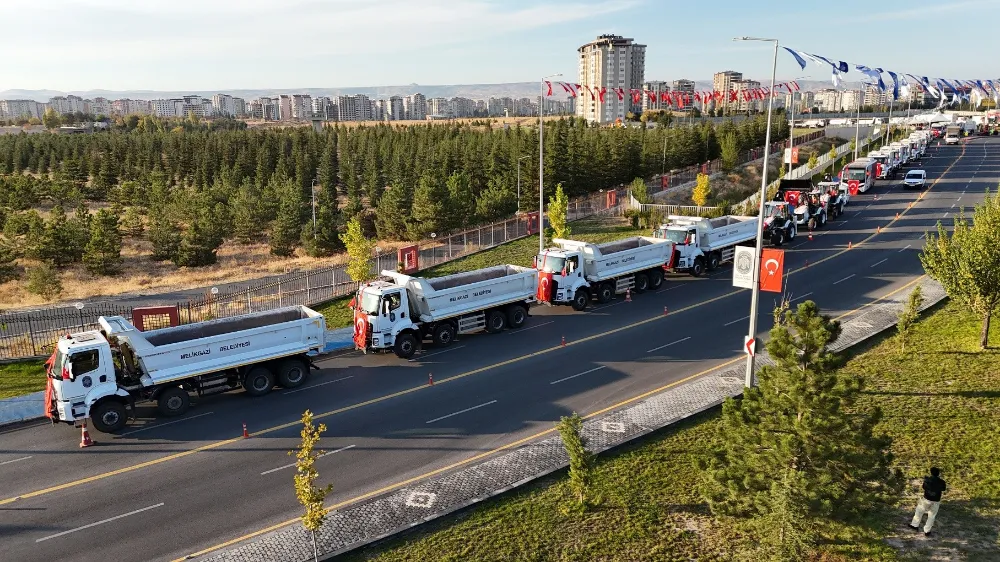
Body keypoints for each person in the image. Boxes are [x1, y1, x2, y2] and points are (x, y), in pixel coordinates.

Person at [910, 467, 947, 536]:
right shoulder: (942, 481)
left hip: (927, 498)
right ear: (938, 473)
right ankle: (927, 531)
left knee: (919, 512)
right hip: (936, 500)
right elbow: (943, 489)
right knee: (932, 516)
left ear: (931, 472)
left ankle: (915, 525)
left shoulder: (928, 480)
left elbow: (924, 487)